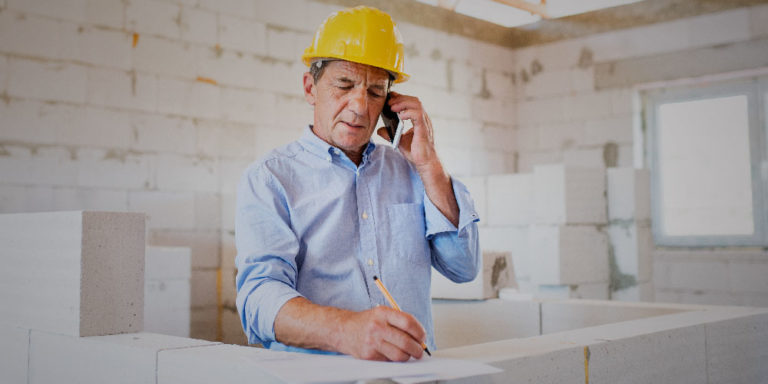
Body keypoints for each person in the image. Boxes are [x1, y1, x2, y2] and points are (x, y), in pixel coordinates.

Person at [235, 5, 480, 362]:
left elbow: (464, 268)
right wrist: (344, 330)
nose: (360, 107)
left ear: (390, 103)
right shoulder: (271, 178)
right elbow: (257, 299)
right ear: (310, 87)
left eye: (375, 91)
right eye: (344, 85)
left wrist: (430, 166)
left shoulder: (413, 170)